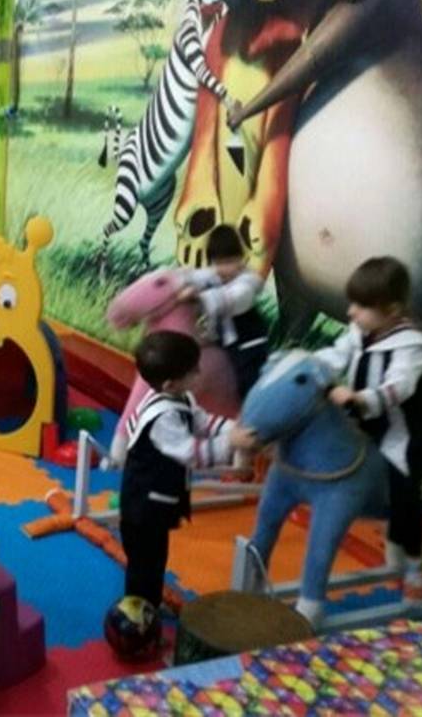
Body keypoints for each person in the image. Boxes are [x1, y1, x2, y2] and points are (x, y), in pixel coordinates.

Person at [315, 257, 422, 601]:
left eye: (362, 306)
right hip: (363, 426)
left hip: (401, 436)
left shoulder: (411, 347)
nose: (351, 312)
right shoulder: (360, 331)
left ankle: (414, 566)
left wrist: (358, 398)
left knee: (406, 495)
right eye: (352, 303)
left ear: (392, 310)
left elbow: (398, 386)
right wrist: (311, 366)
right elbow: (337, 354)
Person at [109, 331, 257, 615]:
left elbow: (203, 422)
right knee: (144, 563)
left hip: (157, 502)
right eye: (193, 371)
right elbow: (189, 452)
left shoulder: (181, 397)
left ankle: (149, 603)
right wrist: (231, 443)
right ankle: (138, 613)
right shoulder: (163, 417)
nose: (200, 372)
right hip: (143, 504)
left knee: (156, 559)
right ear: (170, 383)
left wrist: (233, 429)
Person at [177, 225, 269, 397]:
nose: (222, 269)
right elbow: (198, 276)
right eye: (218, 263)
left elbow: (229, 299)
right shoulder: (216, 275)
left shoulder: (247, 282)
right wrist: (177, 283)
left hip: (249, 344)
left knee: (247, 383)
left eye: (229, 262)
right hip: (227, 342)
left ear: (242, 259)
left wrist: (198, 298)